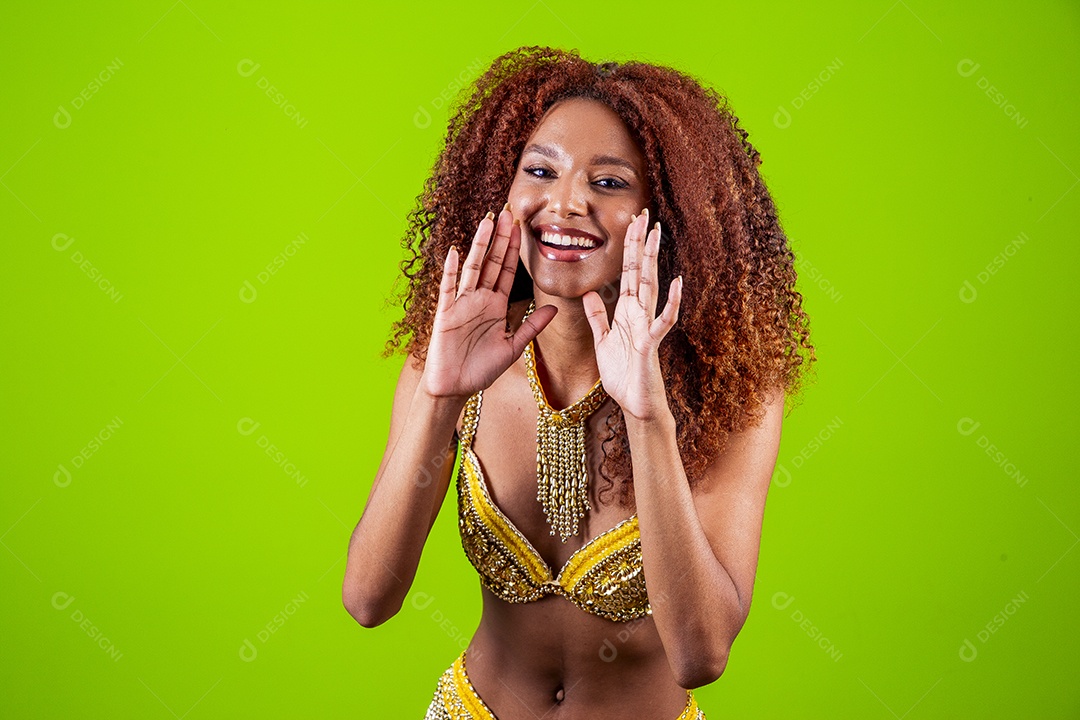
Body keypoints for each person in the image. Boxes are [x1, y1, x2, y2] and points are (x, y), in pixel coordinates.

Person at [342, 46, 817, 719]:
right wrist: (440, 399)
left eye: (609, 182)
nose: (564, 203)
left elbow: (701, 655)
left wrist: (649, 420)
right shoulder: (449, 356)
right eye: (540, 171)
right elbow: (368, 599)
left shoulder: (729, 392)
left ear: (669, 215)